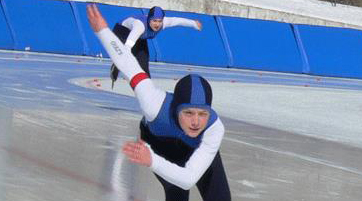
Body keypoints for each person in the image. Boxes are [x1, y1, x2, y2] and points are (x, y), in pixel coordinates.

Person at [87, 4, 230, 201]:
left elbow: (189, 178)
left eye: (202, 113)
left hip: (193, 146)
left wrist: (151, 161)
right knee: (177, 193)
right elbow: (128, 63)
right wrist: (102, 31)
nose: (196, 121)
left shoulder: (214, 128)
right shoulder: (154, 103)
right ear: (176, 108)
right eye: (188, 113)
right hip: (160, 141)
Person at [109, 6, 202, 88]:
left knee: (144, 60)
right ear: (149, 19)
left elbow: (177, 21)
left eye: (159, 21)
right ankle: (115, 68)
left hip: (140, 36)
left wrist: (194, 23)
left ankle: (147, 87)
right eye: (154, 21)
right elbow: (128, 45)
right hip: (122, 31)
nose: (157, 24)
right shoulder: (139, 26)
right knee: (123, 55)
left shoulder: (164, 23)